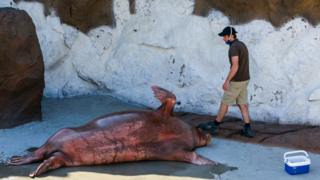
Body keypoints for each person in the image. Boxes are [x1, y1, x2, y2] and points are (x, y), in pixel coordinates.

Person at [199, 26, 255, 138]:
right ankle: (247, 127)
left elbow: (235, 66)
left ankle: (215, 125)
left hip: (237, 81)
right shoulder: (242, 44)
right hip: (245, 79)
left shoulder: (233, 47)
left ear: (231, 36)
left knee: (225, 102)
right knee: (242, 103)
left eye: (224, 36)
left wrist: (227, 81)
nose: (223, 39)